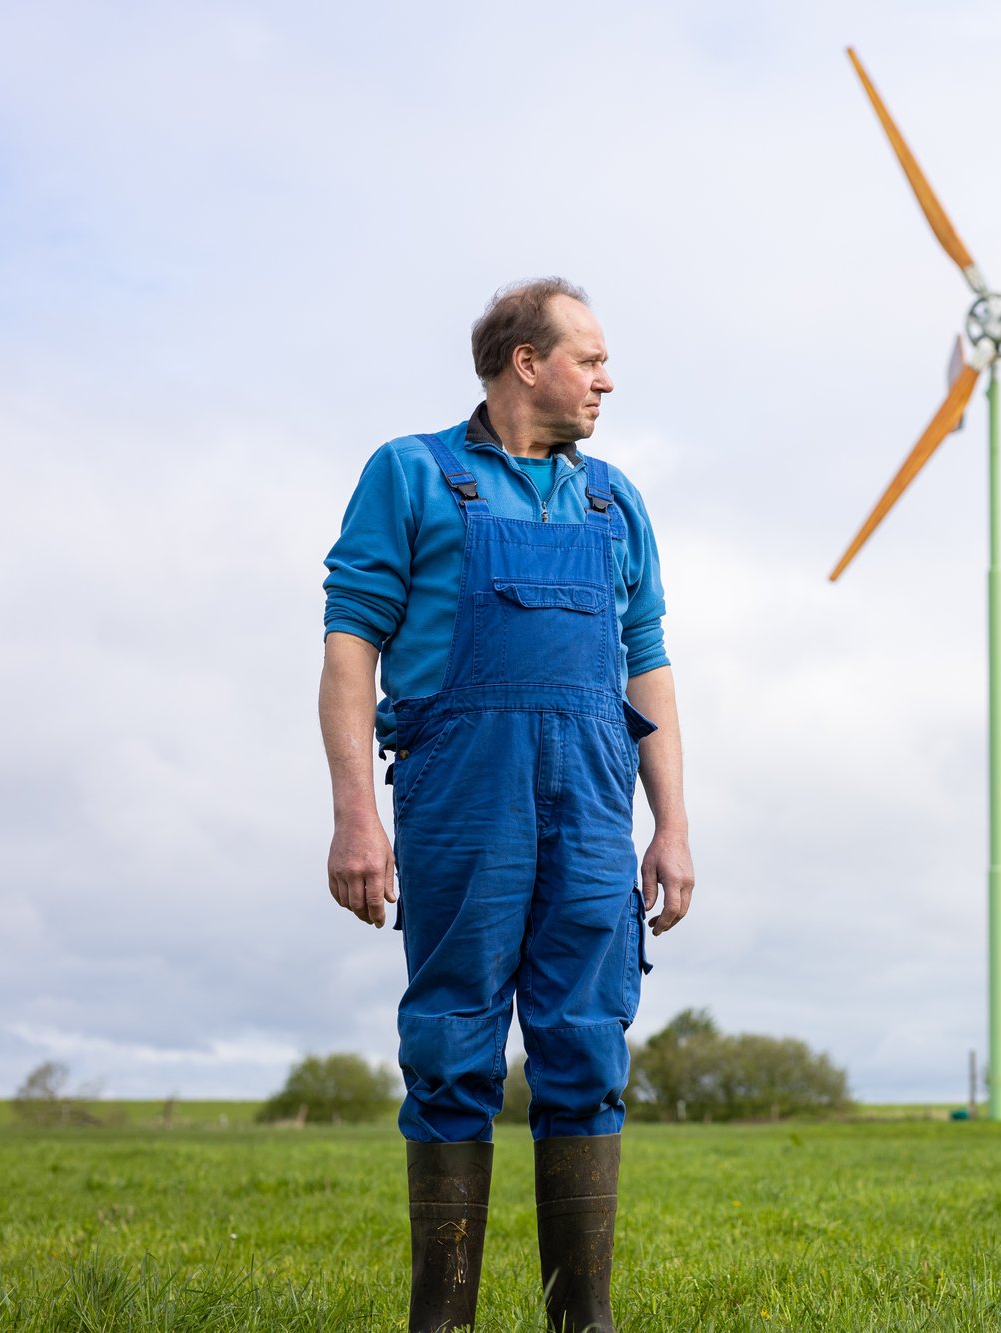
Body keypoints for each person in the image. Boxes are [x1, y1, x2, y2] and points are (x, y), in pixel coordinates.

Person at [318, 277, 694, 1332]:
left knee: (585, 1042)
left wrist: (670, 823)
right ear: (525, 362)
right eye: (590, 357)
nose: (605, 379)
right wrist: (356, 813)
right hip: (458, 791)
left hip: (588, 800)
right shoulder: (413, 475)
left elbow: (647, 662)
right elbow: (351, 647)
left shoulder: (613, 500)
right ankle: (441, 1320)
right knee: (451, 1045)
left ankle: (585, 1321)